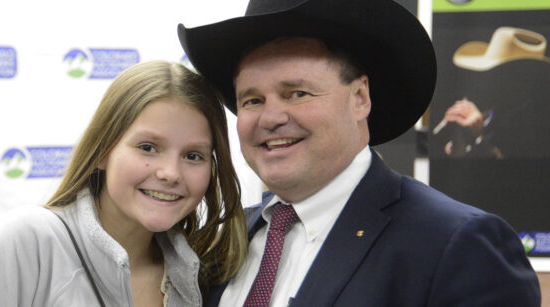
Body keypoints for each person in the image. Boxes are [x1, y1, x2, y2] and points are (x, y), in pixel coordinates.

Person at [177, 0, 541, 306]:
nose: (270, 118)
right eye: (252, 100)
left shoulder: (458, 246)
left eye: (297, 93)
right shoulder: (221, 243)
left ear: (360, 98)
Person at [0, 61, 247, 306]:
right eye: (147, 147)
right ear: (102, 150)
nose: (170, 173)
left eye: (193, 156)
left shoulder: (195, 276)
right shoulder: (25, 239)